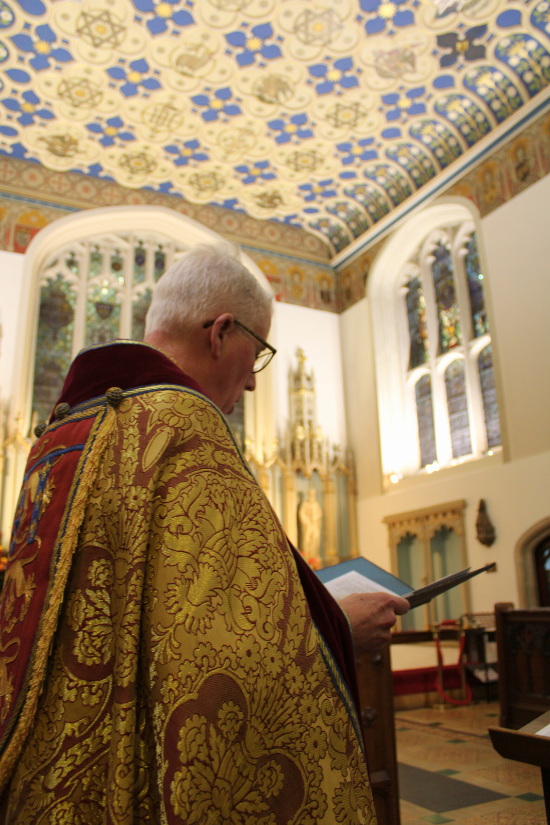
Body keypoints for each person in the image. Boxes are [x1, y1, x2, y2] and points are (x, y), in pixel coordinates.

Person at [0, 243, 409, 823]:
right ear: (220, 332)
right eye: (259, 351)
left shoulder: (59, 435)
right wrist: (339, 622)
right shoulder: (185, 427)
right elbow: (224, 665)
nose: (250, 386)